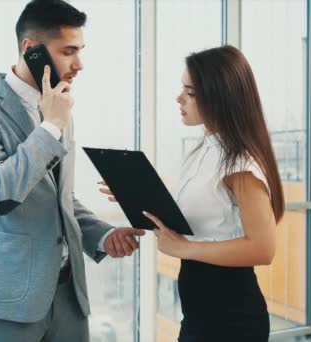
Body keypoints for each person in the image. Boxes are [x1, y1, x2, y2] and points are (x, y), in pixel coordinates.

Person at [0, 1, 145, 341]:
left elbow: (59, 197)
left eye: (80, 50)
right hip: (9, 304)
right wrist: (51, 126)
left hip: (68, 298)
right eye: (68, 51)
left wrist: (102, 235)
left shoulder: (57, 105)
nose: (79, 64)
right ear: (32, 50)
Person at [102, 45, 284, 341]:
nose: (179, 98)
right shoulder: (204, 151)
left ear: (218, 96)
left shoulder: (239, 164)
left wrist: (186, 249)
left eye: (190, 92)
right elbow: (198, 219)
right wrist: (135, 194)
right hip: (200, 313)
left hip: (231, 318)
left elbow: (263, 248)